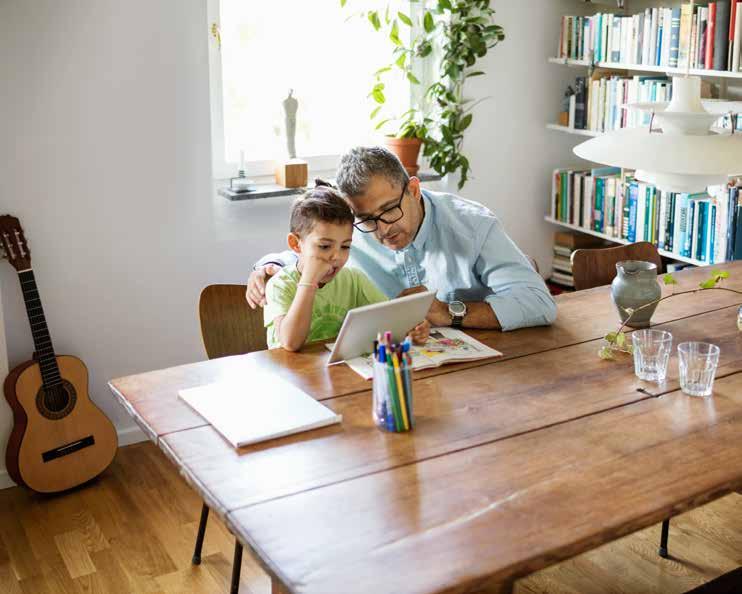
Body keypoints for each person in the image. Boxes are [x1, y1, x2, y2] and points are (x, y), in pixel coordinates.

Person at [249, 146, 557, 331]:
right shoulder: (355, 229)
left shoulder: (472, 225)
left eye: (389, 210)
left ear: (413, 190)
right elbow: (309, 252)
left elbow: (539, 304)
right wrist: (267, 266)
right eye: (367, 219)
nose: (382, 229)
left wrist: (448, 312)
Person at [264, 183, 430, 351]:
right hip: (289, 373)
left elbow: (391, 319)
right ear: (296, 244)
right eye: (324, 246)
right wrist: (308, 282)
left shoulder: (353, 279)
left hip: (335, 371)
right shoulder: (279, 285)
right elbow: (291, 343)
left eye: (345, 247)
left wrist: (412, 328)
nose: (337, 256)